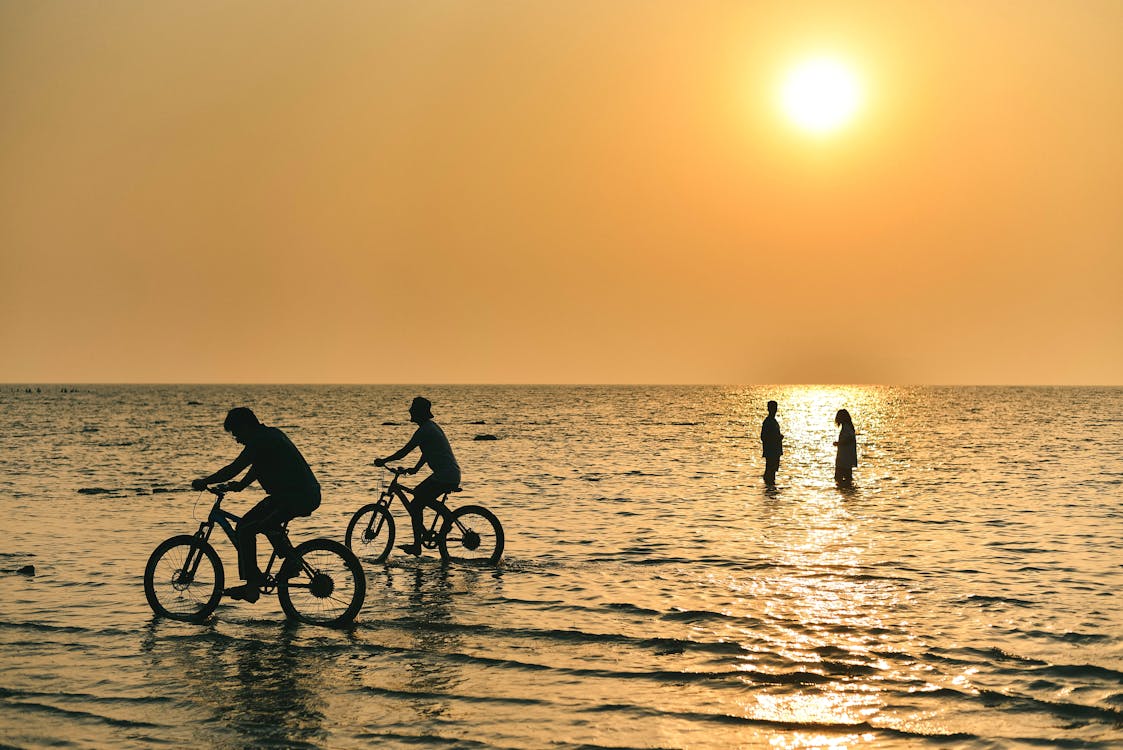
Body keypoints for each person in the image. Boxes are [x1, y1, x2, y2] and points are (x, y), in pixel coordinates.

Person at [191, 407, 321, 603]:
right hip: (298, 494)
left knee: (245, 529)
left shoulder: (259, 440)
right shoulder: (269, 435)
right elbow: (259, 466)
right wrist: (241, 485)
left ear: (246, 426)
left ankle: (253, 586)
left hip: (294, 497)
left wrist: (205, 481)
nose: (237, 440)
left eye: (237, 434)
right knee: (258, 522)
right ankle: (290, 563)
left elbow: (234, 468)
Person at [373, 396, 461, 557]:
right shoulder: (430, 427)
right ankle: (443, 522)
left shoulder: (425, 430)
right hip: (449, 474)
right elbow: (428, 452)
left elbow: (404, 451)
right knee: (420, 498)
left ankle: (418, 544)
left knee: (416, 503)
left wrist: (384, 460)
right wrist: (415, 469)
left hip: (445, 475)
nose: (409, 411)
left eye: (413, 408)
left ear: (419, 412)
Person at [760, 400, 784, 485]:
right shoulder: (768, 421)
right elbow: (764, 437)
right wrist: (777, 438)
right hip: (771, 451)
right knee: (770, 471)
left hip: (774, 451)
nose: (775, 410)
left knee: (772, 471)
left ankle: (769, 488)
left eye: (775, 408)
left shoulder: (772, 421)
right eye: (773, 408)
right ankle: (768, 487)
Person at [833, 408, 858, 485]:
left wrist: (839, 443)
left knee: (839, 478)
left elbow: (849, 439)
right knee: (847, 478)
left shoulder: (847, 427)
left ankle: (846, 491)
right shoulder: (847, 427)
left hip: (844, 458)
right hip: (846, 458)